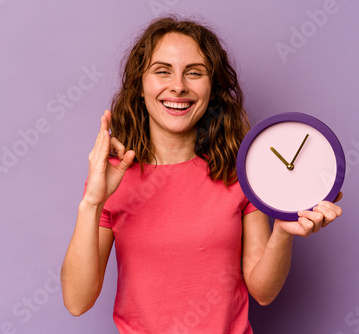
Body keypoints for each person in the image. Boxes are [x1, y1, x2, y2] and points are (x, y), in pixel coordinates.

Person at [61, 16, 343, 333]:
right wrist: (92, 202)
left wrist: (282, 229)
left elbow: (263, 292)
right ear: (141, 86)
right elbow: (76, 301)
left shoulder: (240, 173)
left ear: (213, 88)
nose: (178, 86)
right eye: (162, 71)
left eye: (194, 73)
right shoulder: (112, 180)